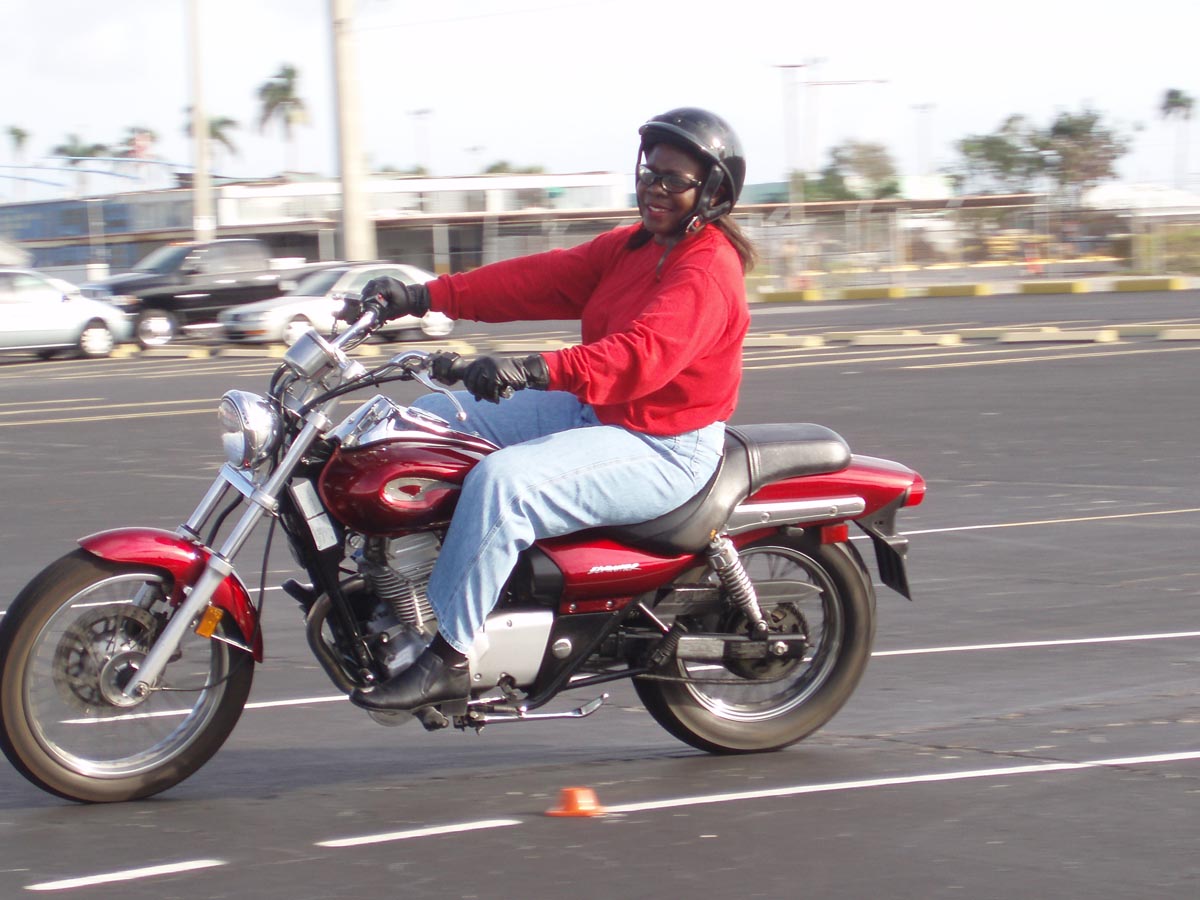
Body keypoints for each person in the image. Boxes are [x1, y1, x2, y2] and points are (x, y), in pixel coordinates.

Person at [346, 107, 757, 713]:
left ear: (713, 193)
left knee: (504, 485)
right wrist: (423, 295)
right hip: (598, 411)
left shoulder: (709, 269)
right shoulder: (634, 247)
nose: (654, 188)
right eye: (649, 173)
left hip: (665, 445)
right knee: (429, 420)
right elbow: (536, 279)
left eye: (673, 180)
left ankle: (450, 655)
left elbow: (640, 356)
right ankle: (395, 583)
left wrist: (535, 369)